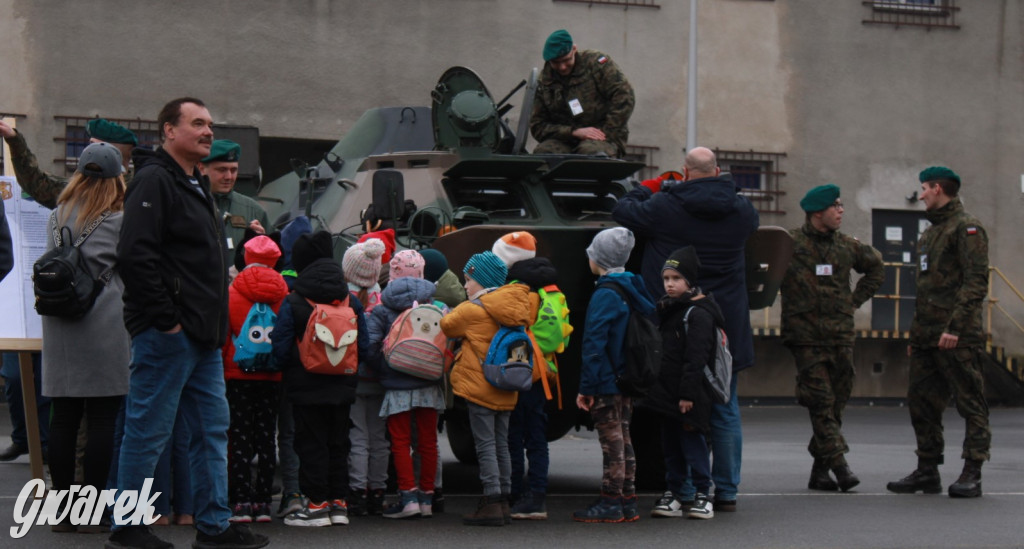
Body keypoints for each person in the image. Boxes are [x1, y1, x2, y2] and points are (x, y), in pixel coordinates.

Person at [111, 97, 267, 549]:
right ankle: (129, 528)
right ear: (168, 131)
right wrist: (166, 321)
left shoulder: (193, 183)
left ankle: (213, 526)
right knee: (148, 431)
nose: (206, 132)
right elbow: (134, 256)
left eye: (210, 125)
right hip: (170, 335)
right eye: (196, 123)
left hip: (203, 337)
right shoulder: (154, 181)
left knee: (211, 430)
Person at [613, 146, 759, 512]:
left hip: (676, 328)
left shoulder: (666, 206)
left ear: (684, 172)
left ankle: (685, 488)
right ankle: (725, 491)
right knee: (725, 408)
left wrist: (650, 186)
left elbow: (622, 211)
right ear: (719, 170)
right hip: (725, 326)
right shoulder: (742, 211)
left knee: (675, 409)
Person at [39, 143, 130, 533]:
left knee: (63, 419)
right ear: (116, 179)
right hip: (105, 322)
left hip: (60, 323)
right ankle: (92, 512)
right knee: (102, 420)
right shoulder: (119, 219)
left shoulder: (56, 215)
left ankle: (61, 512)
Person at [887, 167, 991, 499]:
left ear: (937, 188)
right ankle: (927, 470)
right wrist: (916, 337)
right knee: (921, 403)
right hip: (927, 336)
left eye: (924, 189)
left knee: (969, 402)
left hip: (956, 335)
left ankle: (972, 470)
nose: (921, 195)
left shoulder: (968, 228)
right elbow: (927, 290)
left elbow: (975, 284)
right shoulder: (931, 233)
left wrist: (956, 328)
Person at [781, 184, 884, 493]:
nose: (841, 211)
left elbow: (876, 268)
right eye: (835, 206)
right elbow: (762, 268)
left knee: (836, 404)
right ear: (817, 212)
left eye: (841, 205)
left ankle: (819, 470)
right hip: (805, 337)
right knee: (820, 401)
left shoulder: (847, 246)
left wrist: (853, 302)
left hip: (840, 335)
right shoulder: (790, 244)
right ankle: (840, 465)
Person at [273, 231, 367, 527]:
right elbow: (362, 343)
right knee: (338, 442)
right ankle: (339, 504)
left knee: (310, 443)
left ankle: (315, 506)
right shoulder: (349, 298)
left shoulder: (296, 298)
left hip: (305, 385)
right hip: (343, 384)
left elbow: (280, 344)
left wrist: (288, 370)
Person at [441, 251, 532, 527]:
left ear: (482, 280)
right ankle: (504, 499)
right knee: (501, 443)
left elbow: (447, 326)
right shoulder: (514, 307)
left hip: (480, 388)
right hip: (507, 385)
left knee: (485, 445)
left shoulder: (473, 310)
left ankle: (491, 501)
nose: (466, 286)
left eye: (469, 280)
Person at [574, 227, 654, 523]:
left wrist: (587, 387)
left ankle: (610, 501)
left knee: (612, 444)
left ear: (601, 259)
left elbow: (594, 344)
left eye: (592, 254)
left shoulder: (605, 293)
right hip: (626, 377)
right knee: (625, 438)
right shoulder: (631, 287)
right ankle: (627, 499)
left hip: (606, 380)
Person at [366, 250, 446, 519]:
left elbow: (369, 345)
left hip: (396, 387)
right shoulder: (435, 304)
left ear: (393, 272)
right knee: (427, 442)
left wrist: (387, 368)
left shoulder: (382, 307)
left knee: (399, 443)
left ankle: (407, 497)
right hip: (429, 383)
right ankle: (427, 499)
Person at [642, 246, 720, 520]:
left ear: (689, 281)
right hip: (667, 393)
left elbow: (696, 359)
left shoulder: (698, 313)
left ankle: (702, 494)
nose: (670, 284)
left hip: (689, 395)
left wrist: (687, 394)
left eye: (676, 278)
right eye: (666, 279)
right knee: (671, 446)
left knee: (693, 444)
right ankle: (674, 492)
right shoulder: (670, 308)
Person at [491, 231, 561, 520]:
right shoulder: (551, 290)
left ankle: (516, 494)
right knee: (537, 437)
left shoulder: (513, 290)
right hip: (541, 372)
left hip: (516, 369)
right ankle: (537, 496)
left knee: (512, 436)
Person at [224, 236, 289, 523]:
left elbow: (224, 334)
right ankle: (263, 502)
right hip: (272, 374)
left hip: (237, 373)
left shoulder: (233, 291)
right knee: (265, 437)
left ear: (246, 257)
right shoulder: (284, 293)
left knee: (237, 436)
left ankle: (239, 501)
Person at [529, 29, 635, 157]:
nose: (562, 67)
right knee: (545, 154)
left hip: (604, 135)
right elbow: (538, 126)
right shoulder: (544, 83)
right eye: (556, 63)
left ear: (574, 49)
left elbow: (624, 95)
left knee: (590, 154)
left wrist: (605, 132)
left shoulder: (596, 64)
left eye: (566, 60)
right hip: (566, 139)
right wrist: (573, 132)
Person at [342, 238, 389, 516]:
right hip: (380, 377)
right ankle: (378, 492)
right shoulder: (384, 300)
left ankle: (357, 491)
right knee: (379, 438)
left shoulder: (343, 300)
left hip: (353, 376)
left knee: (357, 436)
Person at [0, 118, 137, 209]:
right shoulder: (83, 187)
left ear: (113, 152)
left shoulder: (138, 191)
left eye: (92, 146)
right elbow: (39, 186)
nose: (87, 152)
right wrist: (14, 140)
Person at [199, 140, 270, 271]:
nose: (229, 176)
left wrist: (263, 242)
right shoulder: (189, 205)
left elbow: (273, 262)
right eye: (222, 170)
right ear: (201, 169)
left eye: (233, 170)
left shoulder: (254, 211)